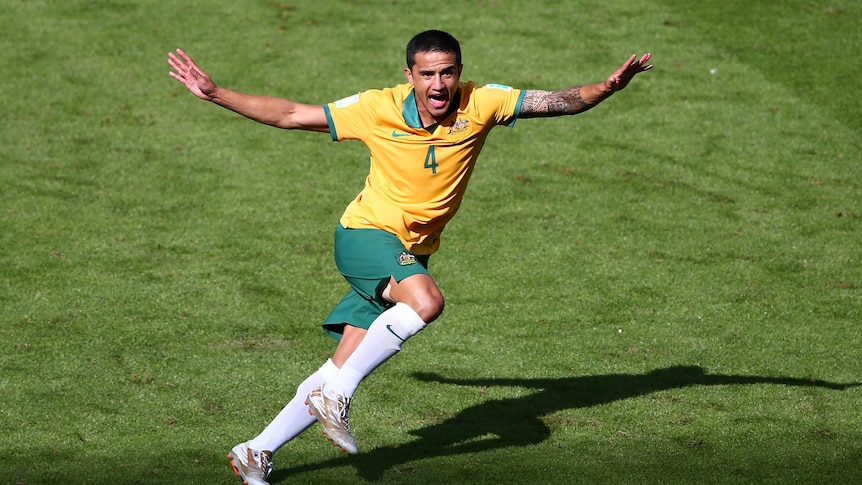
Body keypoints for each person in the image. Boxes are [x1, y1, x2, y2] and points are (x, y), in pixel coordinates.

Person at [168, 29, 652, 485]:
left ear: (459, 72)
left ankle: (256, 450)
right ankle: (334, 396)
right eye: (427, 74)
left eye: (447, 73)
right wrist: (216, 93)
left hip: (410, 252)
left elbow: (563, 101)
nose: (438, 85)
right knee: (426, 304)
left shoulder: (482, 102)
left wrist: (609, 86)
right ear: (409, 76)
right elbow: (293, 114)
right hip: (365, 236)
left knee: (342, 364)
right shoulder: (377, 107)